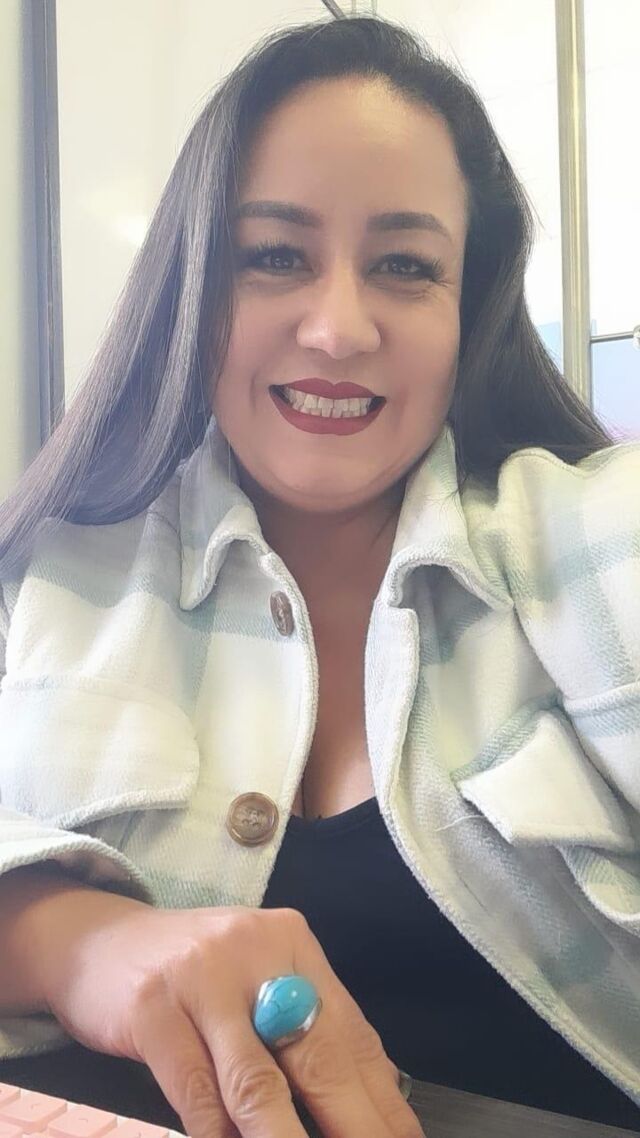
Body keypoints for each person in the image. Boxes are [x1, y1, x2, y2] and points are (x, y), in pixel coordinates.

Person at [0, 12, 639, 1138]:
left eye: (405, 266)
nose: (339, 328)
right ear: (194, 285)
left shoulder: (595, 536)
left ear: (468, 308)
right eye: (276, 256)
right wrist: (71, 937)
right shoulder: (52, 572)